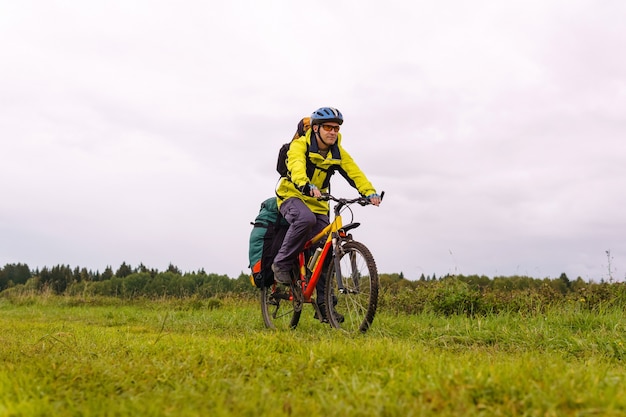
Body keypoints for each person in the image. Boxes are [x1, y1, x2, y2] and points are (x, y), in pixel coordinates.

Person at [272, 106, 381, 321]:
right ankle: (281, 263)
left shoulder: (337, 152)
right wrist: (304, 184)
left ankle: (324, 305)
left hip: (319, 203)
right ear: (315, 129)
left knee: (326, 251)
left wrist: (369, 192)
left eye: (336, 128)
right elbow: (296, 167)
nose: (333, 132)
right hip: (292, 196)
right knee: (305, 219)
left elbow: (354, 172)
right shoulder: (299, 146)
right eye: (328, 127)